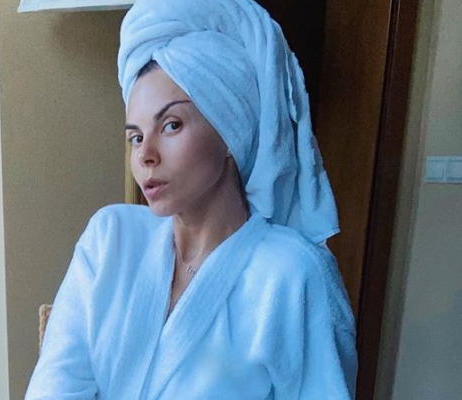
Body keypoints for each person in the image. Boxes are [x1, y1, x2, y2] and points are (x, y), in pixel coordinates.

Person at [24, 0, 358, 398]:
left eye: (171, 125)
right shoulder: (110, 238)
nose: (145, 154)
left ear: (230, 131)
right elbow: (56, 386)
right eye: (136, 136)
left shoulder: (294, 275)